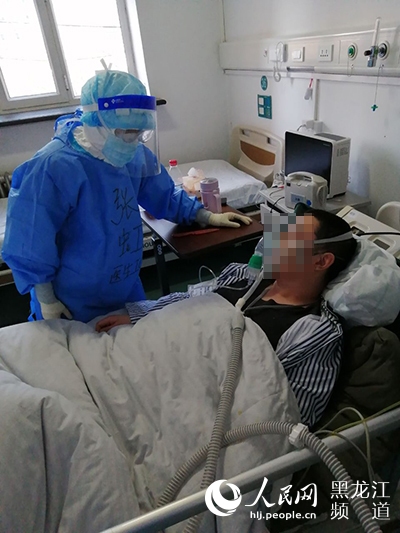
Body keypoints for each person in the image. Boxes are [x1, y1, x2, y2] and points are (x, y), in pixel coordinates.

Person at [1, 69, 251, 323]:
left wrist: (205, 215)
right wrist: (46, 299)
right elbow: (29, 241)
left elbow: (163, 195)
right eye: (127, 132)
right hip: (72, 302)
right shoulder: (51, 167)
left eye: (139, 133)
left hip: (125, 289)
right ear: (97, 123)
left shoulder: (132, 154)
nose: (134, 141)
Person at [95, 205, 358, 427]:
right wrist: (141, 314)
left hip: (191, 408)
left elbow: (290, 416)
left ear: (321, 261)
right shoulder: (245, 276)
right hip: (151, 358)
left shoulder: (314, 332)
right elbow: (192, 298)